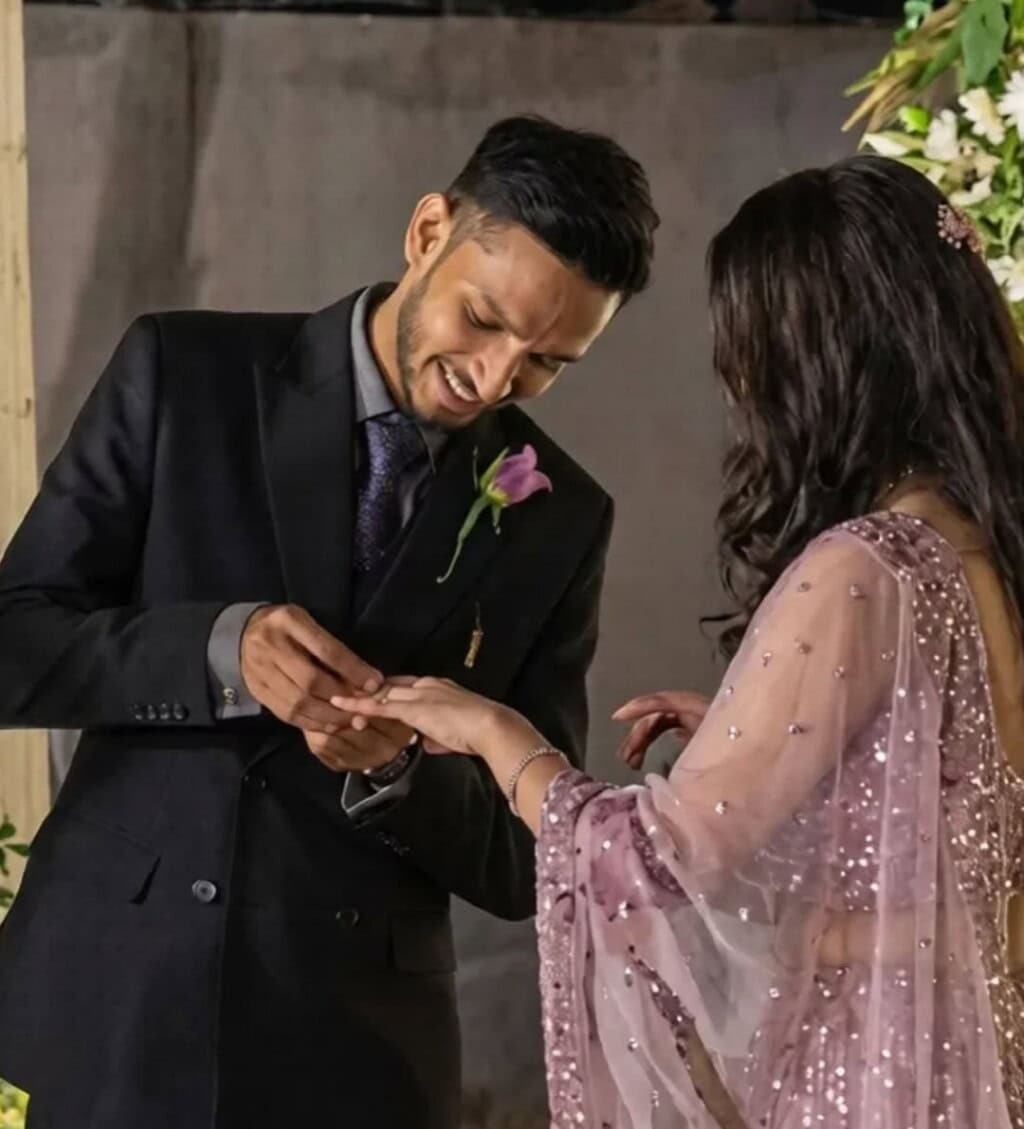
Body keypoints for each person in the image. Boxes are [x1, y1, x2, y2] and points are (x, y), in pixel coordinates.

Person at [337, 155, 1024, 1128]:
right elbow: (974, 874)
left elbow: (651, 864)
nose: (736, 379)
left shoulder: (867, 566)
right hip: (970, 1063)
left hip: (870, 1077)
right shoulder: (980, 546)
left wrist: (494, 735)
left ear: (813, 356)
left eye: (744, 342)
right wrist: (778, 746)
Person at [0, 116, 658, 1129]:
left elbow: (525, 857)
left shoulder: (560, 515)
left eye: (545, 363)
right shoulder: (184, 371)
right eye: (483, 320)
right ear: (427, 231)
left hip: (357, 1050)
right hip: (114, 1004)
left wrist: (399, 770)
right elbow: (14, 642)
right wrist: (218, 648)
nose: (494, 379)